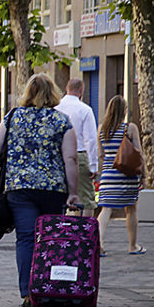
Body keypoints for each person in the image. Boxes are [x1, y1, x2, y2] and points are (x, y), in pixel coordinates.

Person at [0, 73, 79, 307]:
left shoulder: (13, 116)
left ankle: (28, 292)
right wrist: (73, 193)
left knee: (27, 238)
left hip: (20, 188)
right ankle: (50, 287)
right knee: (50, 239)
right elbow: (70, 158)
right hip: (53, 188)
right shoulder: (62, 121)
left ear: (28, 93)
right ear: (53, 93)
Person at [96, 95, 146, 255]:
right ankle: (133, 246)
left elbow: (101, 155)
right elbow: (139, 153)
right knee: (130, 209)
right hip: (126, 176)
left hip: (108, 176)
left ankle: (99, 244)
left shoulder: (102, 129)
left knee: (106, 210)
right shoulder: (129, 128)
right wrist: (144, 175)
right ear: (123, 111)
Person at [55, 79, 99, 216]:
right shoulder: (85, 109)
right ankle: (84, 233)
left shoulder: (55, 108)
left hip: (57, 155)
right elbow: (90, 139)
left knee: (57, 198)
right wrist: (93, 165)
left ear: (66, 89)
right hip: (79, 154)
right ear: (81, 91)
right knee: (86, 200)